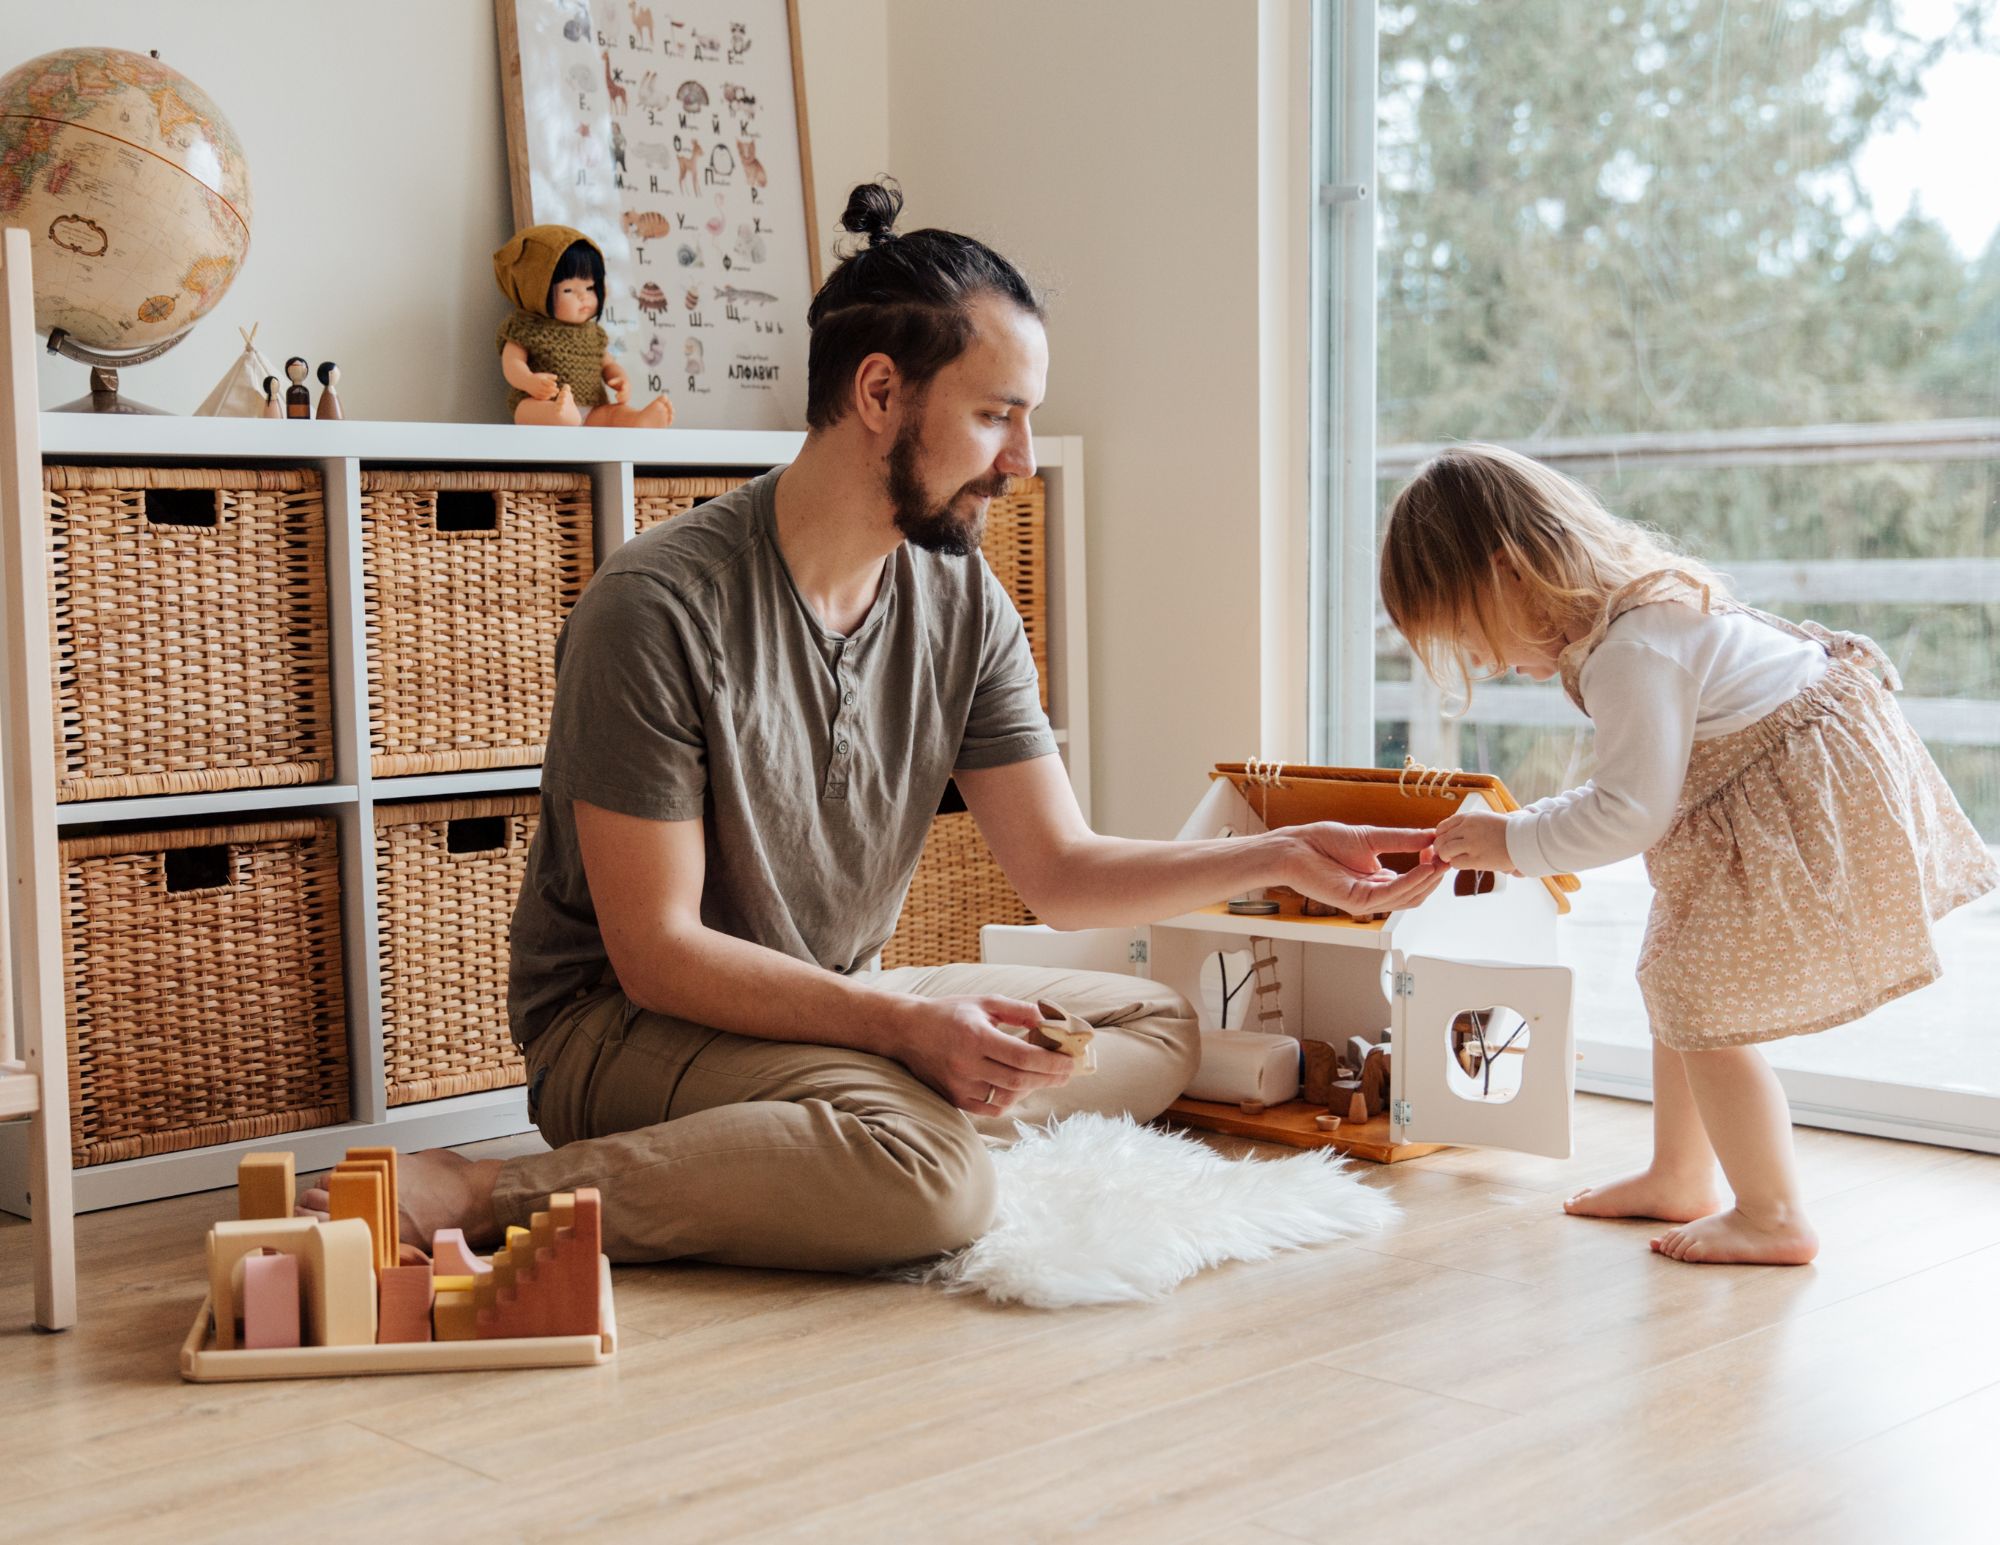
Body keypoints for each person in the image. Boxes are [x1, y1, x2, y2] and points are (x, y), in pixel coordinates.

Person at [315, 180, 1445, 1271]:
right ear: (877, 395)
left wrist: (1284, 854)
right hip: (626, 1028)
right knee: (934, 1185)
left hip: (836, 996)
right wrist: (900, 1035)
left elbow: (1057, 871)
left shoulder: (961, 599)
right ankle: (488, 1192)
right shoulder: (656, 605)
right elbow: (656, 954)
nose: (1020, 462)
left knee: (1150, 1029)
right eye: (996, 416)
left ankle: (853, 1122)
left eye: (1028, 421)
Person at [1379, 443, 1997, 1265]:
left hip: (1799, 806)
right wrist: (1524, 826)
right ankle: (1679, 1174)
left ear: (1512, 572)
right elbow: (1634, 792)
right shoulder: (1632, 619)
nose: (1486, 663)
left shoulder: (1632, 651)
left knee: (1703, 1002)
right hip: (1768, 789)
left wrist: (1514, 839)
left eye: (1472, 633)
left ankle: (1774, 1213)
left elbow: (1629, 811)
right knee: (1679, 977)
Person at [493, 223, 674, 428]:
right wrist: (528, 382)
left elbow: (607, 364)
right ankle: (559, 415)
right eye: (569, 290)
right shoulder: (525, 328)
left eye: (589, 288)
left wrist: (619, 378)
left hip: (592, 410)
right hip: (543, 401)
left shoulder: (594, 335)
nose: (583, 297)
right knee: (526, 410)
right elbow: (512, 364)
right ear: (534, 291)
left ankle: (638, 420)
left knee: (614, 414)